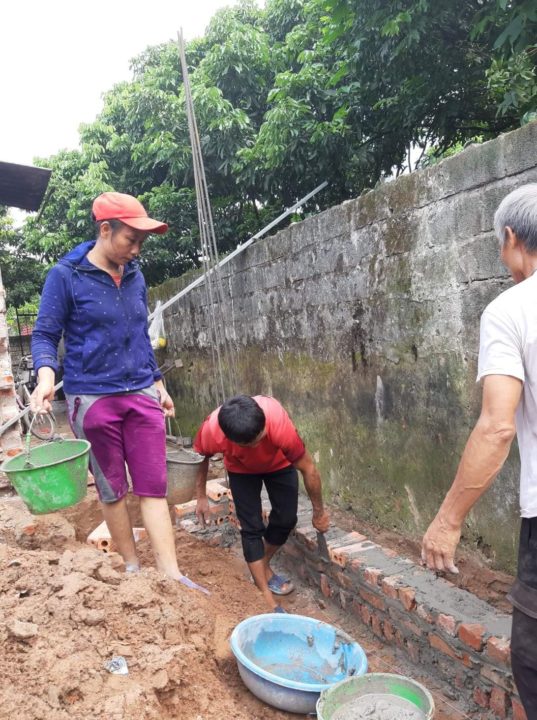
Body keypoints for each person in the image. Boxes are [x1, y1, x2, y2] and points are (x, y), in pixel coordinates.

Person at [30, 192, 205, 593]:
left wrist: (157, 383)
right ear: (105, 230)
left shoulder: (134, 273)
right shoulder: (66, 276)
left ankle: (172, 575)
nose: (137, 249)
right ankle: (131, 570)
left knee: (152, 486)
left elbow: (139, 335)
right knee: (111, 487)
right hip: (91, 399)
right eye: (131, 239)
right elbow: (44, 334)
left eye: (142, 241)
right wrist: (44, 378)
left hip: (140, 393)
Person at [421, 184, 537, 717]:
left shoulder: (512, 310)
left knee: (532, 660)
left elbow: (497, 426)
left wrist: (446, 520)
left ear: (511, 238)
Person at [193, 394, 330, 611]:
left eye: (263, 433)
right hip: (241, 470)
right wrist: (201, 497)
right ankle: (265, 595)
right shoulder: (211, 431)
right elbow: (201, 458)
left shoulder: (276, 422)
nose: (264, 437)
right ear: (234, 441)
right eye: (258, 440)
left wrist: (319, 511)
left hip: (279, 465)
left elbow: (309, 468)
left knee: (286, 519)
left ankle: (262, 564)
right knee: (251, 529)